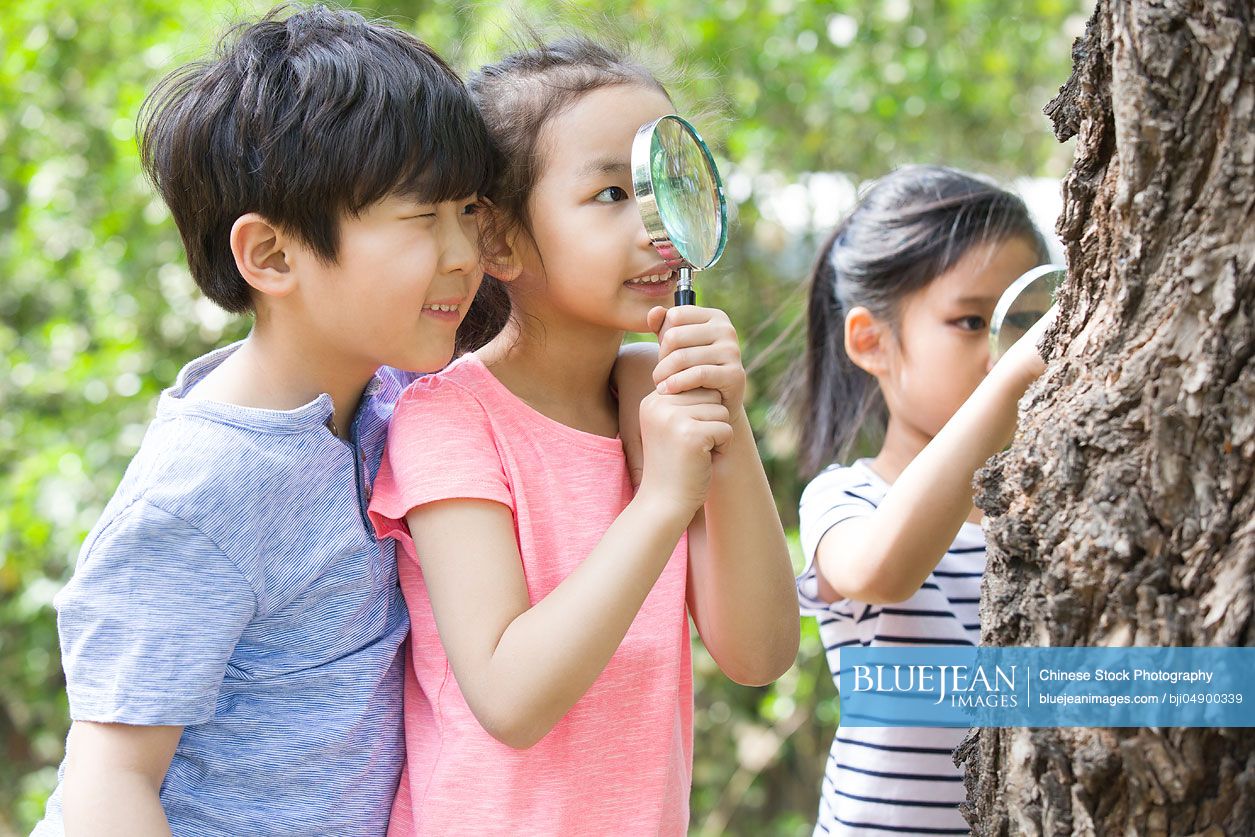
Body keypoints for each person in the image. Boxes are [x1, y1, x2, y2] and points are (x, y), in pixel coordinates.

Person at [32, 6, 496, 834]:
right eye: (424, 217)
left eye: (468, 210)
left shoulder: (391, 405)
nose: (464, 252)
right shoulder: (203, 489)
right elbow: (110, 779)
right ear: (273, 256)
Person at [367, 36, 800, 835]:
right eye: (610, 195)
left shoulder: (656, 394)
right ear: (497, 240)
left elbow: (760, 653)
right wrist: (664, 497)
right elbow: (508, 698)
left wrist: (724, 418)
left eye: (669, 185)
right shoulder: (447, 419)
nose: (660, 226)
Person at [789, 165, 1053, 836]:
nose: (1006, 345)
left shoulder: (1054, 502)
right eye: (971, 321)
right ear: (869, 341)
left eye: (1027, 319)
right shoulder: (847, 496)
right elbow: (880, 569)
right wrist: (1011, 382)